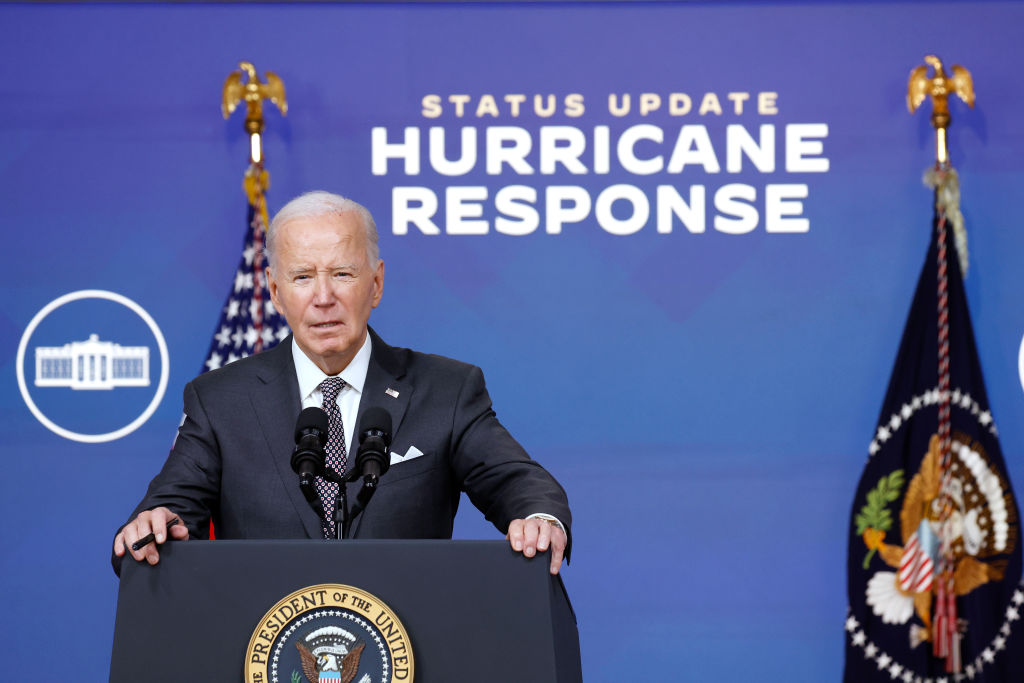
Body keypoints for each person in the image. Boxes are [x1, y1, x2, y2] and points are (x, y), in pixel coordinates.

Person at [112, 191, 571, 576]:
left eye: (343, 274)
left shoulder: (446, 390)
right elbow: (170, 507)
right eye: (303, 277)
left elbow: (518, 482)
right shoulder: (220, 401)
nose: (324, 297)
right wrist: (154, 524)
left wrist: (539, 518)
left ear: (376, 283)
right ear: (274, 291)